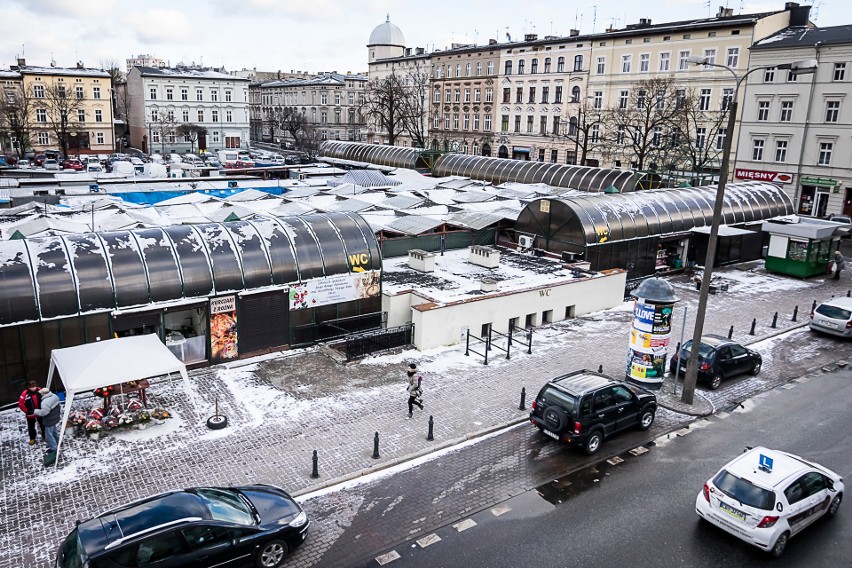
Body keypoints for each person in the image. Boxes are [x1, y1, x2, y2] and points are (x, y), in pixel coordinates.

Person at [31, 388, 61, 456]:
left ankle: (54, 448)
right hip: (55, 417)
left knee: (48, 435)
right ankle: (58, 442)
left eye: (41, 394)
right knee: (54, 431)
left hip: (49, 420)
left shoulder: (45, 402)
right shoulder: (54, 396)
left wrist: (35, 411)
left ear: (43, 394)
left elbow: (44, 413)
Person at [18, 381, 44, 445]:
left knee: (43, 424)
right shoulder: (24, 394)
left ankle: (45, 436)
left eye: (35, 386)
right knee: (31, 426)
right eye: (32, 387)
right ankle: (32, 438)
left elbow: (44, 398)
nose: (34, 388)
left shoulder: (40, 390)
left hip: (40, 412)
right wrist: (27, 411)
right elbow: (21, 404)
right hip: (30, 414)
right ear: (29, 387)